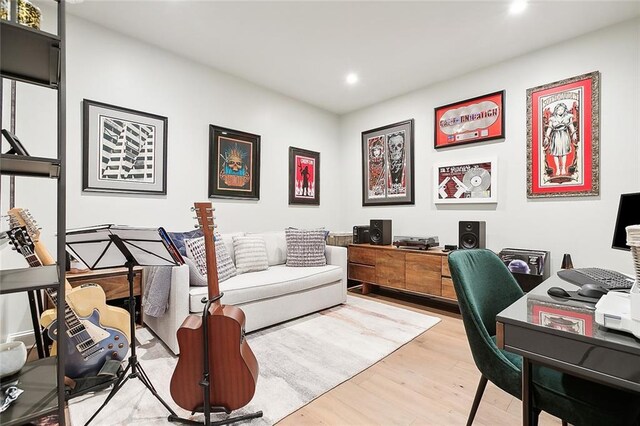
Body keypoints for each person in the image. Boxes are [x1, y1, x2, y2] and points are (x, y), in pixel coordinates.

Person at [543, 102, 577, 176]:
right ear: (556, 110)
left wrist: (574, 134)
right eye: (558, 109)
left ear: (564, 110)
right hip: (555, 135)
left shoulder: (568, 117)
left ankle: (564, 168)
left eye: (562, 109)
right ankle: (558, 169)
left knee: (564, 152)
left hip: (564, 135)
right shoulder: (552, 119)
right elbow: (550, 128)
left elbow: (571, 126)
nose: (560, 111)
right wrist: (546, 137)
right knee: (556, 153)